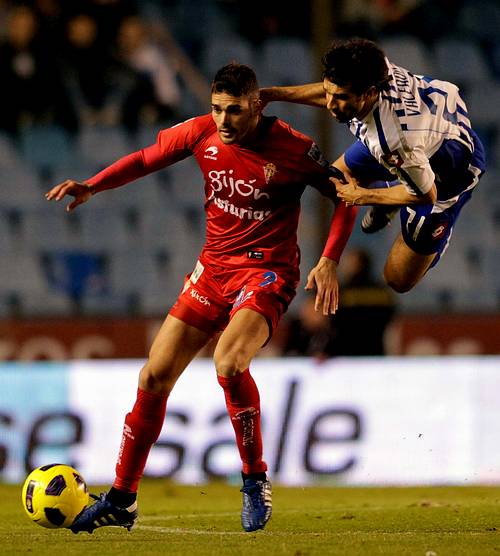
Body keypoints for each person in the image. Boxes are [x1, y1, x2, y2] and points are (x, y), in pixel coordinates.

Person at [45, 63, 357, 533]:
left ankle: (254, 479)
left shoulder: (293, 148)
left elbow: (345, 196)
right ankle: (123, 498)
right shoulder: (200, 132)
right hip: (212, 272)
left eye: (234, 110)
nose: (224, 120)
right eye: (217, 109)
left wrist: (329, 259)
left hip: (266, 272)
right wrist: (94, 184)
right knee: (154, 375)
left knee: (229, 362)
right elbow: (146, 158)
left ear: (256, 105)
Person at [260, 38, 486, 293]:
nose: (330, 104)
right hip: (427, 133)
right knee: (335, 179)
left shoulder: (391, 140)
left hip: (447, 175)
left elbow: (426, 194)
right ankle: (396, 185)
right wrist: (272, 94)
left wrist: (365, 196)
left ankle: (409, 200)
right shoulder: (373, 66)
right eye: (328, 92)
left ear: (369, 93)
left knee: (397, 279)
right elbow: (335, 91)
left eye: (341, 98)